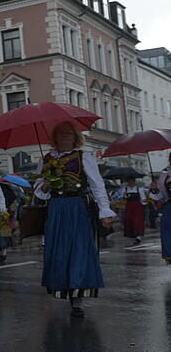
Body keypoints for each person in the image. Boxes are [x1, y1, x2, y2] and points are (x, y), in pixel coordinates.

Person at [33, 121, 116, 317]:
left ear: (76, 136)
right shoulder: (45, 159)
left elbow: (97, 185)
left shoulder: (84, 157)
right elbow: (38, 193)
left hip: (77, 207)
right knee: (59, 251)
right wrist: (44, 185)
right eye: (61, 133)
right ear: (55, 137)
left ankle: (77, 299)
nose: (65, 136)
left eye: (69, 133)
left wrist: (105, 210)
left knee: (78, 250)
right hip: (56, 209)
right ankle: (62, 287)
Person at [115, 177, 147, 244]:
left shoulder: (139, 189)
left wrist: (144, 203)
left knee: (137, 221)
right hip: (129, 207)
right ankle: (132, 235)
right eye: (129, 181)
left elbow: (143, 199)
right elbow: (121, 199)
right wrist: (123, 197)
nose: (131, 183)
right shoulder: (125, 189)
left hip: (137, 207)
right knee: (130, 221)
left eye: (132, 181)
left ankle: (138, 236)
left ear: (134, 182)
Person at [157, 161, 171, 264]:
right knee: (167, 231)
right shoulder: (165, 175)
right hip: (169, 206)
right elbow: (162, 195)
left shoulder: (165, 175)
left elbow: (163, 195)